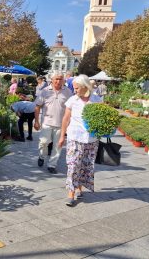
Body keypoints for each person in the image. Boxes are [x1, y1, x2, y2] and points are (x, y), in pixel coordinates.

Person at [58, 74, 103, 207]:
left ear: (85, 87)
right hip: (74, 137)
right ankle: (70, 193)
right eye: (74, 88)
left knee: (85, 164)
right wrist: (62, 136)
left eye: (77, 88)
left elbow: (101, 118)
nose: (75, 90)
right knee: (73, 165)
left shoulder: (96, 100)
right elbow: (66, 118)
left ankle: (79, 188)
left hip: (91, 138)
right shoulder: (72, 100)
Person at [34, 72, 72, 174]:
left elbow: (71, 109)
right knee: (44, 142)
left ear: (64, 80)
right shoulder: (45, 91)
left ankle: (52, 165)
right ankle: (42, 156)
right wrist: (36, 121)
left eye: (61, 79)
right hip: (46, 122)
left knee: (58, 146)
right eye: (56, 79)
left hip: (61, 124)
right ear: (52, 80)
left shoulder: (68, 92)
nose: (58, 81)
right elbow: (37, 106)